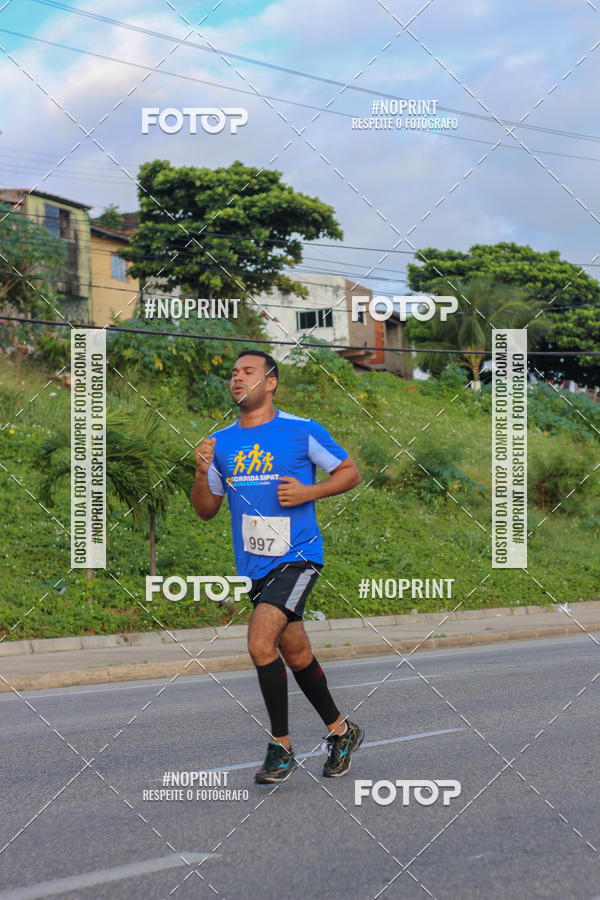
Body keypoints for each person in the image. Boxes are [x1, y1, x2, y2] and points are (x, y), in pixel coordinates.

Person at [191, 349, 364, 783]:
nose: (237, 378)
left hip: (298, 556)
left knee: (259, 641)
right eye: (232, 372)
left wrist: (309, 492)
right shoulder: (221, 443)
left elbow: (349, 472)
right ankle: (341, 731)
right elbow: (206, 509)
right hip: (255, 566)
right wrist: (200, 473)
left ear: (270, 382)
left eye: (247, 371)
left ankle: (281, 746)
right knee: (295, 651)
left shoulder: (301, 432)